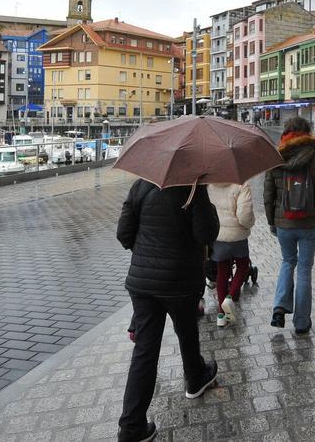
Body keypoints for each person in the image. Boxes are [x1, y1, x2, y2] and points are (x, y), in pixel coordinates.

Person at [116, 179, 221, 442]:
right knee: (186, 331)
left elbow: (123, 234)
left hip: (143, 283)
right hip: (180, 281)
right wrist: (204, 198)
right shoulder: (193, 188)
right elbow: (206, 235)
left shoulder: (140, 186)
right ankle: (195, 378)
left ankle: (131, 428)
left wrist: (146, 255)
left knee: (144, 352)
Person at [263, 116, 315, 335]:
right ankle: (302, 323)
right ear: (307, 132)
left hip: (284, 223)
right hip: (310, 224)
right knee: (304, 269)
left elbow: (268, 194)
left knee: (287, 261)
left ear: (286, 132)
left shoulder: (275, 157)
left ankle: (279, 307)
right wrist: (313, 199)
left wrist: (272, 221)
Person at [207, 182, 256, 327]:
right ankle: (230, 297)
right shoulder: (241, 185)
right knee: (243, 266)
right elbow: (245, 215)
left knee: (222, 272)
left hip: (219, 235)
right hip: (237, 236)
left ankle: (221, 315)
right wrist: (249, 224)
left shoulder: (210, 185)